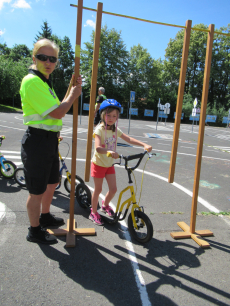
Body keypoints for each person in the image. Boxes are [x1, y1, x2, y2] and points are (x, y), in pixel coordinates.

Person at [20, 38, 82, 244]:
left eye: (52, 59)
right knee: (36, 190)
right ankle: (34, 230)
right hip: (37, 141)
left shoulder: (44, 81)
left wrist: (70, 89)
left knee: (52, 182)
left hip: (48, 141)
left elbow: (57, 108)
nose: (48, 62)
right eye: (43, 57)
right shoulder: (32, 81)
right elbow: (58, 112)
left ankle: (45, 216)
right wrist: (73, 96)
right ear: (34, 57)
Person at [90, 99, 152, 225]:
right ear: (103, 115)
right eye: (109, 115)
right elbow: (97, 148)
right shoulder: (99, 130)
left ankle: (105, 205)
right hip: (99, 164)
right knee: (98, 189)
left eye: (114, 116)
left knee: (113, 189)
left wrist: (143, 144)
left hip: (109, 164)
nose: (111, 118)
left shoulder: (115, 130)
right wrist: (108, 151)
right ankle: (93, 212)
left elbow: (128, 139)